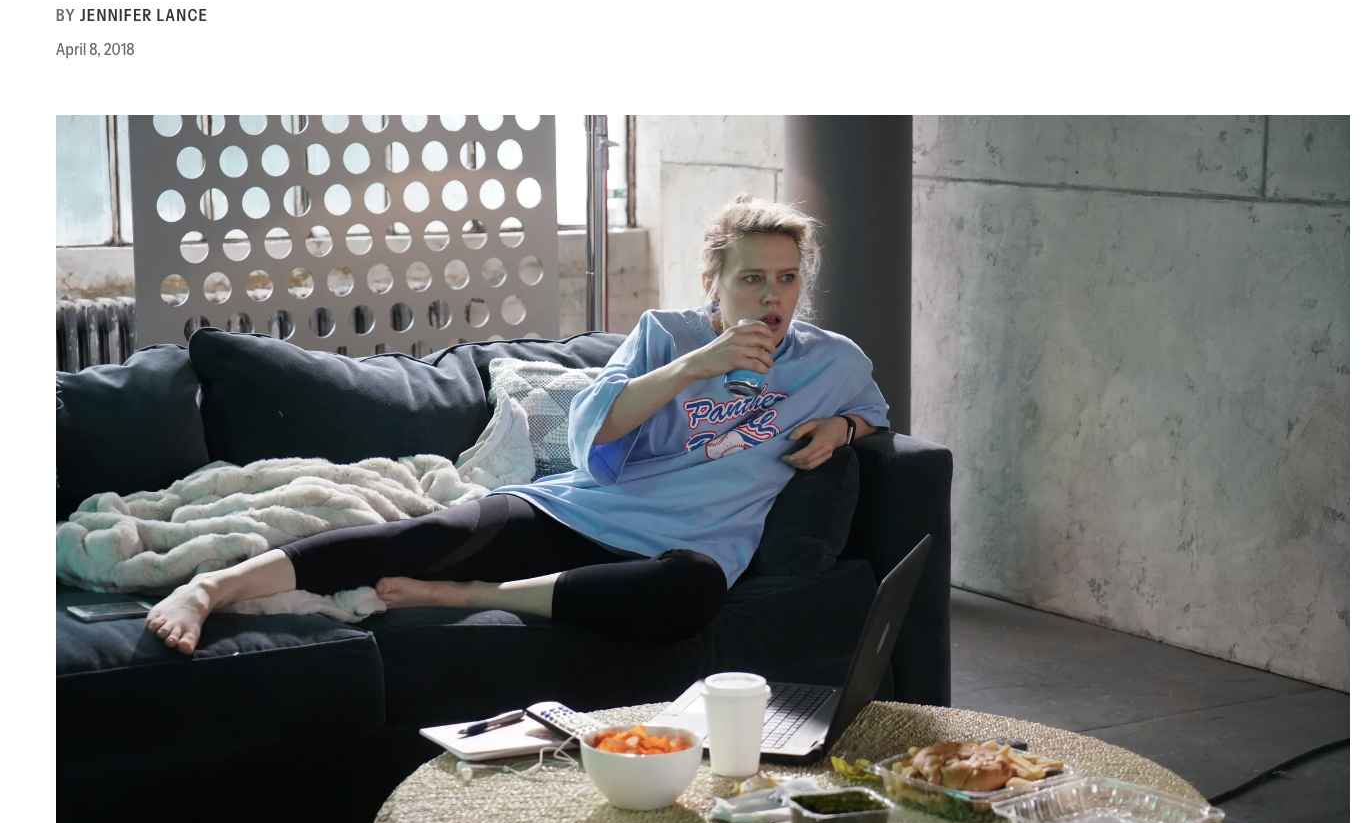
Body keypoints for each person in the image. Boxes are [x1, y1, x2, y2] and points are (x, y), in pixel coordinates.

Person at [143, 195, 888, 656]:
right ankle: (213, 587)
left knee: (692, 596)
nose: (771, 296)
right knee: (419, 541)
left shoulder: (832, 361)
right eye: (751, 278)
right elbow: (592, 432)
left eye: (786, 277)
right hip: (585, 509)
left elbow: (878, 416)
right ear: (714, 285)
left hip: (686, 552)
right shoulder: (667, 334)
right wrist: (699, 364)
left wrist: (845, 430)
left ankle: (474, 596)